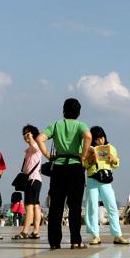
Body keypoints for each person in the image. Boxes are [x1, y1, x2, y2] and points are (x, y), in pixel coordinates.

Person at [36, 98, 92, 249]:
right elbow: (88, 136)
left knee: (56, 206)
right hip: (75, 167)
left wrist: (48, 154)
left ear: (63, 110)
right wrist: (83, 154)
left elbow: (39, 138)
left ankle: (54, 242)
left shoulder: (56, 125)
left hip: (59, 167)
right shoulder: (81, 125)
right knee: (75, 206)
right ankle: (75, 240)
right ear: (78, 112)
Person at [84, 126, 129, 245]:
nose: (100, 141)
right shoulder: (88, 149)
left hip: (105, 180)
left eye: (102, 138)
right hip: (92, 178)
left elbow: (116, 164)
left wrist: (113, 159)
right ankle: (95, 235)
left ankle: (117, 235)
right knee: (92, 207)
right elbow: (84, 164)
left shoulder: (111, 148)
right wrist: (91, 159)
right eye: (97, 139)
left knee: (112, 206)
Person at [12, 125, 43, 240]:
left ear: (33, 134)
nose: (25, 136)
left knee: (29, 206)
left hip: (33, 180)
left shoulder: (36, 147)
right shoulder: (29, 150)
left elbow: (36, 143)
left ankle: (24, 231)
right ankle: (35, 231)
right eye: (24, 134)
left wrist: (33, 138)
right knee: (35, 206)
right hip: (34, 180)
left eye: (28, 134)